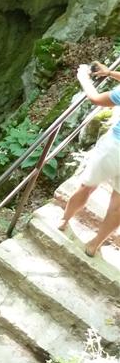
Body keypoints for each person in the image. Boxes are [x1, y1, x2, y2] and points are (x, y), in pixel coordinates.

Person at [59, 61, 120, 256]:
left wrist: (83, 78)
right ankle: (94, 244)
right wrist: (109, 73)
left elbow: (95, 98)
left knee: (87, 186)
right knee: (118, 204)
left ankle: (64, 220)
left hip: (114, 149)